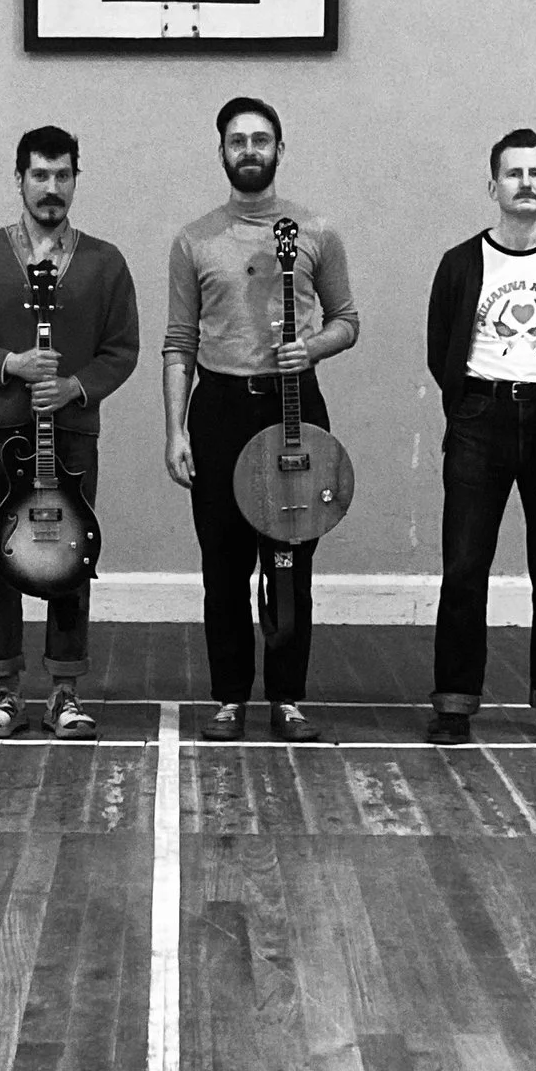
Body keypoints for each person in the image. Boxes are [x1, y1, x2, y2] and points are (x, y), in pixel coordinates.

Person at [163, 95, 359, 741]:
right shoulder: (194, 240)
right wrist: (175, 429)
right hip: (220, 409)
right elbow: (179, 341)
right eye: (237, 140)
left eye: (261, 139)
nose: (250, 150)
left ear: (279, 148)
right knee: (223, 567)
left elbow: (347, 321)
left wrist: (312, 347)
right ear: (221, 151)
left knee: (290, 564)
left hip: (293, 407)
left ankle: (287, 697)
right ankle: (228, 697)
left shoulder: (317, 232)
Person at [0, 127, 140, 739]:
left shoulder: (105, 262)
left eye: (62, 175)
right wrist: (10, 365)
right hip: (0, 434)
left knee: (70, 560)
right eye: (39, 175)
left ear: (77, 179)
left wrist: (76, 386)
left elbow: (122, 348)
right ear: (19, 179)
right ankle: (4, 691)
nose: (51, 188)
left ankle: (64, 693)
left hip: (72, 436)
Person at [425, 127, 536, 745]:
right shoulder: (460, 263)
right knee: (464, 565)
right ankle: (454, 703)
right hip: (480, 417)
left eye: (535, 174)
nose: (524, 184)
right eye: (513, 173)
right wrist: (471, 407)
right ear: (493, 186)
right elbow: (441, 349)